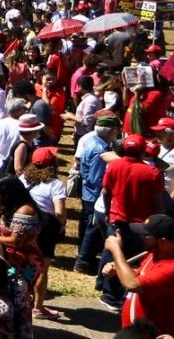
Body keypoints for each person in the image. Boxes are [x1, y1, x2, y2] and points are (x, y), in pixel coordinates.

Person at [98, 134, 163, 312]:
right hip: (141, 224)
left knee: (113, 254)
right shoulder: (152, 173)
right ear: (143, 151)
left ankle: (109, 294)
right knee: (134, 259)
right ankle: (125, 294)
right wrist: (159, 221)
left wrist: (107, 211)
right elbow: (157, 201)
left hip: (116, 218)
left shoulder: (113, 166)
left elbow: (105, 191)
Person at [103, 214, 174, 337]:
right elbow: (142, 275)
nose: (141, 238)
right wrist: (119, 269)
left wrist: (116, 249)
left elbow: (133, 284)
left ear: (162, 241)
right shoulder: (156, 254)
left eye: (145, 236)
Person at [19, 147, 66, 319]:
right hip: (45, 228)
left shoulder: (23, 178)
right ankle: (38, 307)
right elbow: (59, 212)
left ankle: (22, 299)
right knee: (42, 269)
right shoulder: (55, 185)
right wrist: (62, 223)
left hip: (25, 223)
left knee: (24, 264)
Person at [74, 115, 121, 273]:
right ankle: (83, 262)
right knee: (92, 229)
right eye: (117, 130)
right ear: (111, 131)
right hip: (94, 195)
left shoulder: (94, 142)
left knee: (90, 227)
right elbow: (96, 178)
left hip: (89, 193)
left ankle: (84, 258)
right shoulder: (101, 150)